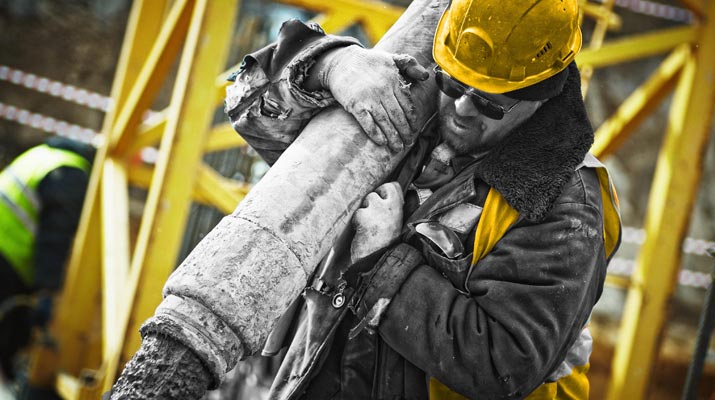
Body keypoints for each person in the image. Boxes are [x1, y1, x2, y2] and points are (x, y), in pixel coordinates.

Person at [222, 0, 621, 398]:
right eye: (454, 83)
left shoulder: (566, 204)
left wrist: (380, 261)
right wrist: (328, 67)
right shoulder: (412, 107)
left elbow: (502, 365)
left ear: (542, 97)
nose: (461, 109)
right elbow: (253, 113)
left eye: (489, 103)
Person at [0, 135, 94, 380]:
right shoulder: (70, 173)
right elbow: (54, 238)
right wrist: (46, 291)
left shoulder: (43, 154)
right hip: (7, 258)